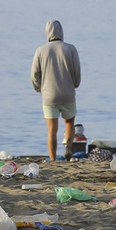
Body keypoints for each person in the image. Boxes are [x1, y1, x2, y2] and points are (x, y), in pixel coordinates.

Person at [30, 20, 81, 161]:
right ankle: (68, 148)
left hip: (49, 95)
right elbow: (76, 71)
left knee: (52, 129)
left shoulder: (40, 50)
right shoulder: (70, 49)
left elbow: (35, 74)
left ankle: (52, 159)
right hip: (67, 93)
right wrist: (75, 85)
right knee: (69, 122)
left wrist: (39, 88)